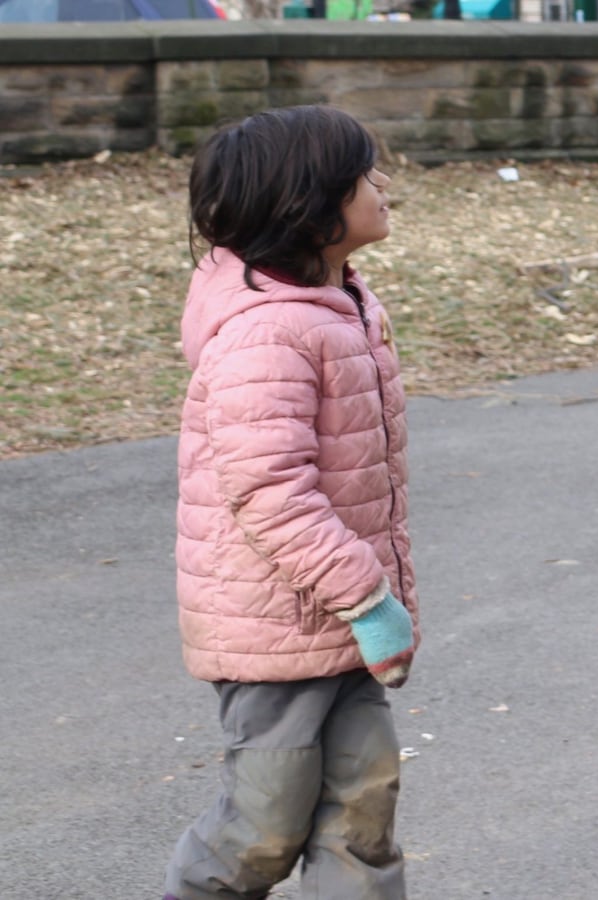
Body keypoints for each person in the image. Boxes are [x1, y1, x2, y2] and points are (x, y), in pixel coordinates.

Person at [163, 105, 420, 900]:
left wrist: (364, 607)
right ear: (309, 206)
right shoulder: (267, 334)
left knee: (361, 817)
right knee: (263, 829)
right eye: (364, 174)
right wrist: (368, 598)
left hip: (341, 620)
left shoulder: (344, 304)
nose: (384, 183)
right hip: (276, 628)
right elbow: (271, 491)